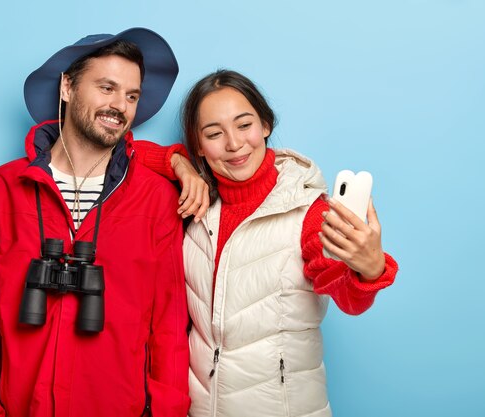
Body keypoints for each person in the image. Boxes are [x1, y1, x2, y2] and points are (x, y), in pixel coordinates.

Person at [0, 28, 191, 417]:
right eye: (107, 88)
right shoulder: (1, 192)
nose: (120, 106)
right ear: (67, 87)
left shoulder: (156, 198)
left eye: (132, 95)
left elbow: (169, 328)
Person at [133, 70, 399, 417]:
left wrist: (369, 269)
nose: (234, 144)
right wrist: (178, 163)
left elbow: (349, 298)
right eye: (214, 133)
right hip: (201, 407)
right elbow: (121, 151)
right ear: (198, 144)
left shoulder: (307, 212)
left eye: (245, 125)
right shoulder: (197, 202)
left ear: (266, 125)